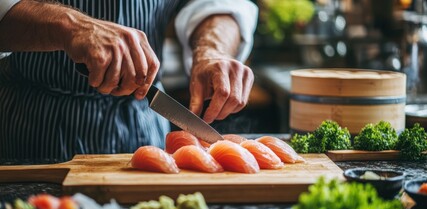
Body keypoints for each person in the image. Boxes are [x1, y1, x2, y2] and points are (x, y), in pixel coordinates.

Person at [0, 0, 258, 164]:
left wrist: (212, 49)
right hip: (33, 128)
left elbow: (216, 3)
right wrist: (69, 25)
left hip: (144, 127)